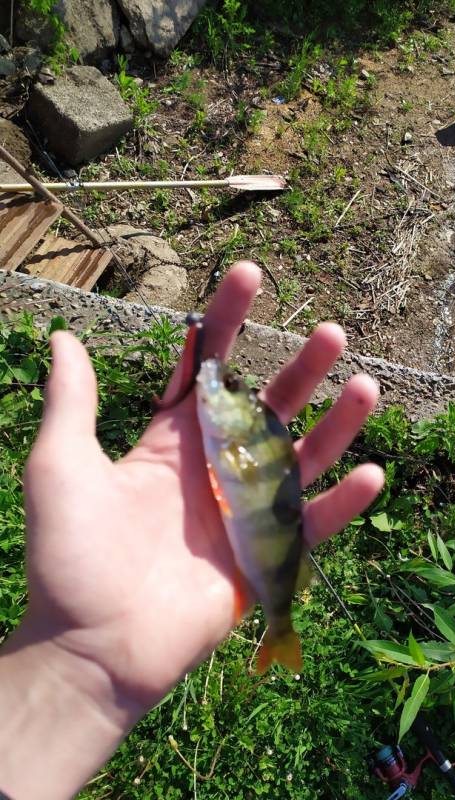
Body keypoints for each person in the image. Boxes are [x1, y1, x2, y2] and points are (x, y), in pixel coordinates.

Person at [0, 261, 384, 800]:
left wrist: (68, 663)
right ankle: (278, 625)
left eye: (227, 394)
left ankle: (279, 627)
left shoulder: (228, 434)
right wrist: (72, 658)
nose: (217, 392)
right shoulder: (220, 431)